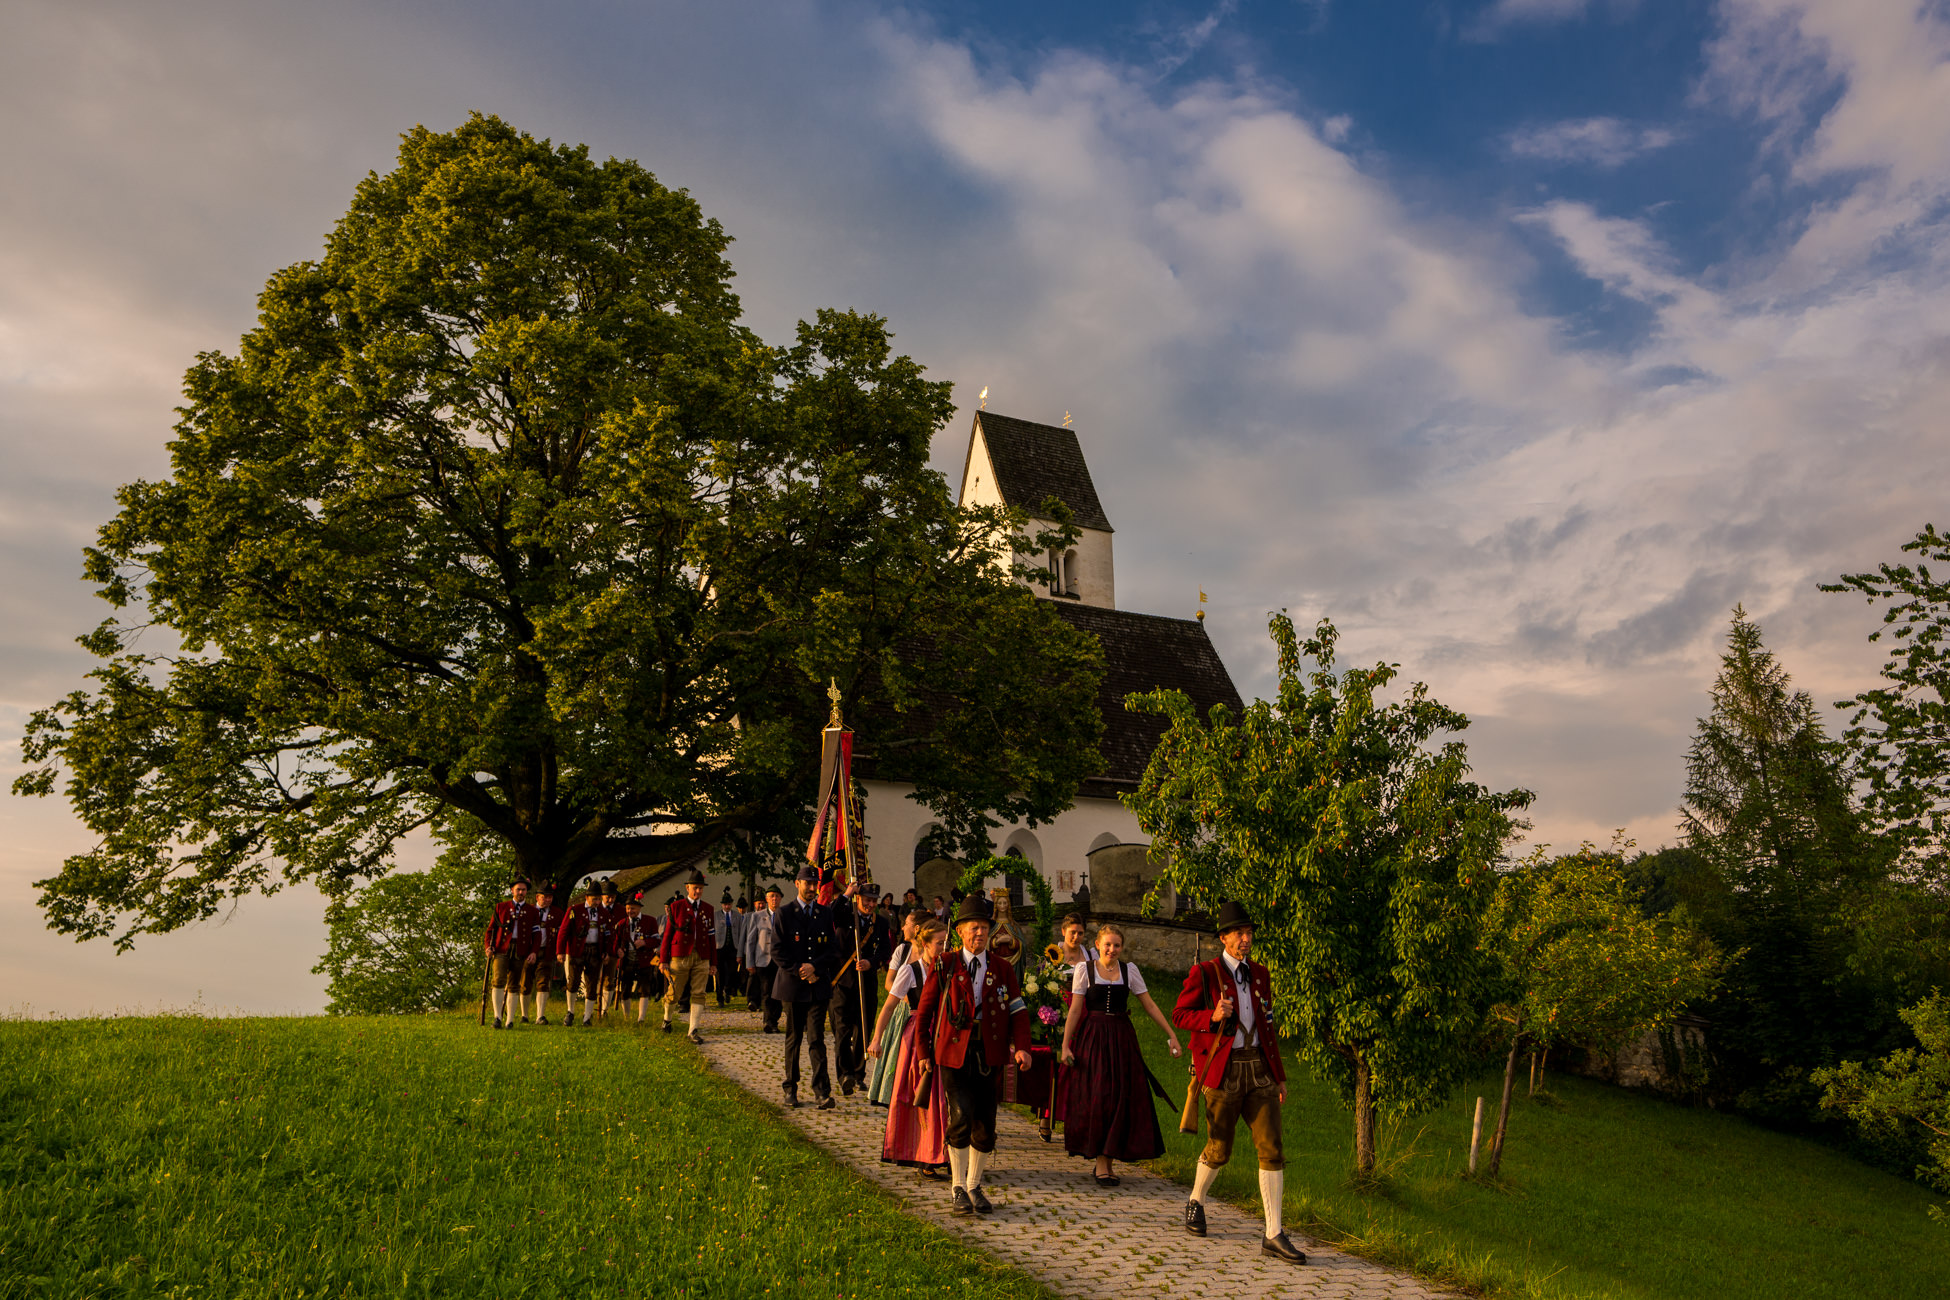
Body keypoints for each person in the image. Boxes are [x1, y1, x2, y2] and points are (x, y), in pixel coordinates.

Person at [1172, 901, 1306, 1264]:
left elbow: (1268, 1027)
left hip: (1259, 1070)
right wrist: (1211, 1016)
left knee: (1272, 1149)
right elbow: (1180, 1014)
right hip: (1224, 1071)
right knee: (1219, 1150)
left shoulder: (1260, 974)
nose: (1246, 939)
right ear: (1224, 938)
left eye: (1248, 933)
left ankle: (1273, 1233)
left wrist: (1279, 1076)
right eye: (1239, 934)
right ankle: (1196, 1200)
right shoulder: (1205, 972)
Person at [913, 895, 1034, 1215]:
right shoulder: (945, 963)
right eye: (973, 928)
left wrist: (1022, 1046)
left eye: (983, 927)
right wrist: (924, 1051)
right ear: (961, 932)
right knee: (960, 1115)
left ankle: (974, 1186)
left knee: (985, 1123)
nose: (979, 933)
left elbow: (1018, 1010)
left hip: (989, 1053)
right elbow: (925, 1012)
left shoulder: (1002, 968)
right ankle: (957, 1187)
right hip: (953, 1053)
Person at [1057, 923, 1180, 1184]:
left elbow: (1149, 1004)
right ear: (1098, 945)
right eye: (1108, 945)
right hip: (1094, 1038)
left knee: (1120, 1096)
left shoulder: (1129, 970)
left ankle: (1108, 1160)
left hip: (1122, 1038)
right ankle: (1102, 1162)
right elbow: (1076, 1010)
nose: (1112, 949)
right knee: (1100, 1095)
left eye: (1117, 945)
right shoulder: (1085, 970)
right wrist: (1066, 1045)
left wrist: (1171, 1034)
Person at [875, 916, 951, 1180]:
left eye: (945, 942)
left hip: (945, 1033)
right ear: (926, 944)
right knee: (922, 1095)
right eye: (939, 943)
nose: (943, 947)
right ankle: (924, 1153)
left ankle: (946, 1152)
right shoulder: (911, 971)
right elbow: (889, 1006)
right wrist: (876, 1038)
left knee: (946, 1096)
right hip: (918, 1036)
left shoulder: (948, 968)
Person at [773, 865, 843, 1109]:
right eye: (808, 883)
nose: (812, 888)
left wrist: (815, 968)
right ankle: (790, 1089)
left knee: (817, 1039)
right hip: (793, 986)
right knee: (794, 1038)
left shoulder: (824, 913)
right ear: (797, 884)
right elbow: (777, 950)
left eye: (815, 884)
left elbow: (832, 950)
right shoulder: (784, 913)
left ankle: (822, 1091)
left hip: (817, 986)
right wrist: (800, 970)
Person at [832, 882, 894, 1096]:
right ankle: (845, 1074)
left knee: (863, 1028)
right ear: (858, 899)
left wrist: (872, 962)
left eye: (874, 901)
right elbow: (831, 914)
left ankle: (858, 1074)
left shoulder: (881, 922)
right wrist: (846, 894)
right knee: (842, 1030)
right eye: (867, 900)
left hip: (866, 982)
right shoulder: (846, 915)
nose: (870, 904)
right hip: (843, 981)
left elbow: (885, 950)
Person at [865, 908, 926, 1101]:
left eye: (906, 924)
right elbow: (888, 982)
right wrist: (906, 995)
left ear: (917, 928)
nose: (902, 927)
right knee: (896, 1054)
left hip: (922, 1013)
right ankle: (891, 1093)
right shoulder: (903, 950)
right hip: (901, 1010)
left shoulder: (932, 952)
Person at [658, 869, 716, 1042]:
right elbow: (667, 935)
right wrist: (663, 960)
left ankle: (693, 1030)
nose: (698, 891)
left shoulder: (708, 908)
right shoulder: (676, 907)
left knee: (699, 992)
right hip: (680, 955)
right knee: (674, 991)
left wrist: (713, 962)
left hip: (702, 955)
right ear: (687, 888)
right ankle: (667, 1020)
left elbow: (712, 937)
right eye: (695, 888)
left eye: (700, 888)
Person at [483, 878, 536, 1030]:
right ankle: (497, 1017)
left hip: (520, 950)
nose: (521, 892)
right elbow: (491, 930)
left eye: (523, 890)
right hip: (501, 949)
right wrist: (488, 947)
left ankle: (510, 1020)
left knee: (514, 985)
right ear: (512, 890)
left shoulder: (532, 911)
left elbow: (536, 934)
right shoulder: (501, 907)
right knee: (498, 981)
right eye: (518, 889)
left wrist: (533, 951)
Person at [555, 885, 609, 1027]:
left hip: (595, 951)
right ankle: (570, 1011)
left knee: (592, 983)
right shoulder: (574, 910)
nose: (597, 902)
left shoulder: (603, 913)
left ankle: (587, 1016)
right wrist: (560, 951)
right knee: (573, 981)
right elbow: (563, 931)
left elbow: (607, 934)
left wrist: (606, 952)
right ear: (587, 898)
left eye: (599, 899)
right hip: (577, 950)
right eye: (594, 899)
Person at [615, 894, 660, 1025]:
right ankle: (627, 1017)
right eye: (628, 908)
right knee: (625, 989)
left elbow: (656, 940)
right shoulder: (622, 923)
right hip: (626, 960)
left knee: (644, 989)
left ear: (639, 908)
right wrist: (618, 950)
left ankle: (641, 1018)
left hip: (644, 959)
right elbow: (615, 941)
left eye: (633, 908)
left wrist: (645, 942)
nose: (630, 911)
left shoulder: (650, 921)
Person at [744, 887, 782, 1026]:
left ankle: (775, 1019)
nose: (774, 899)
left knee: (779, 992)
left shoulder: (784, 915)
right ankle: (768, 1022)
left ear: (780, 898)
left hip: (780, 961)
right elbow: (751, 940)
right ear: (766, 899)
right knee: (766, 991)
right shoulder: (757, 916)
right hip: (763, 960)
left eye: (777, 896)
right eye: (771, 896)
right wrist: (750, 962)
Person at [528, 883, 564, 1024]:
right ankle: (524, 1015)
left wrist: (559, 951)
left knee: (543, 982)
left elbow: (561, 934)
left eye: (550, 897)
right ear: (538, 897)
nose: (548, 900)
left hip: (547, 951)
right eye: (545, 897)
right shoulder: (529, 910)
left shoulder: (557, 913)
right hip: (528, 951)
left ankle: (540, 1016)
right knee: (525, 982)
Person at [715, 897, 745, 1008]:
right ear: (722, 905)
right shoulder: (716, 915)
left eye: (729, 904)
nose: (727, 906)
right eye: (725, 904)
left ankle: (727, 990)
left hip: (733, 948)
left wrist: (740, 951)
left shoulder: (737, 916)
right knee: (720, 973)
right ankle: (720, 997)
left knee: (732, 971)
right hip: (720, 948)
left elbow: (741, 933)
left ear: (731, 904)